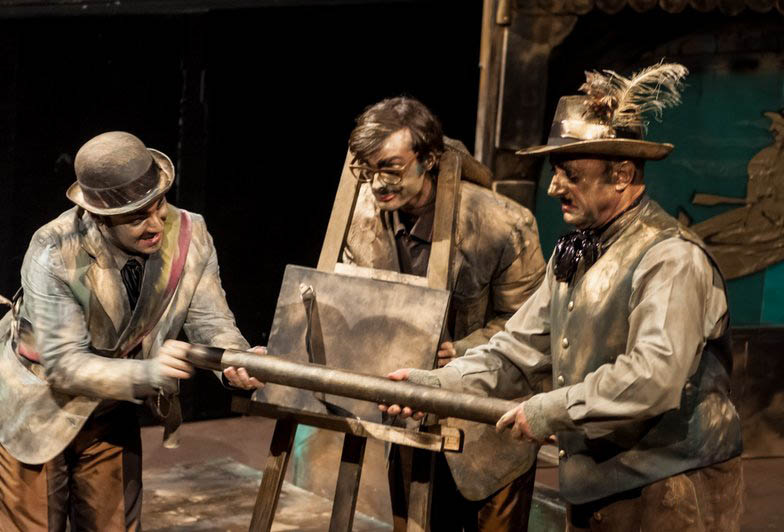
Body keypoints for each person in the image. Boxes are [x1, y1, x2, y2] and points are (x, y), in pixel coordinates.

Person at [383, 64, 744, 531]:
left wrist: (551, 409)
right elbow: (516, 350)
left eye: (570, 174)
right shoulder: (574, 252)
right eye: (555, 172)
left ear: (622, 174)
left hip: (669, 489)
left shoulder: (671, 258)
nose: (554, 187)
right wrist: (438, 386)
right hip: (597, 485)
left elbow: (652, 376)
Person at [0, 131, 261, 531]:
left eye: (158, 204)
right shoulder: (54, 249)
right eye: (136, 217)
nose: (155, 224)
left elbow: (211, 322)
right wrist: (150, 373)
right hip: (35, 402)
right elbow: (64, 365)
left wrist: (235, 361)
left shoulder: (190, 234)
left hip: (110, 404)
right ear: (99, 217)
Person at [310, 97, 545, 531]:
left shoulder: (502, 224)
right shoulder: (359, 217)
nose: (377, 184)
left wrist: (462, 349)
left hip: (487, 428)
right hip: (408, 421)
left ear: (429, 159)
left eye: (391, 168)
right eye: (367, 170)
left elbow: (531, 327)